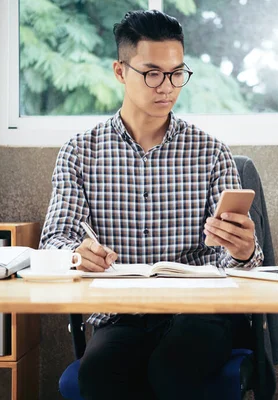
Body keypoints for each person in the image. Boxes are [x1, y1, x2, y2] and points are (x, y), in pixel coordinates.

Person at [40, 9, 263, 400]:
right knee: (99, 379)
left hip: (197, 313)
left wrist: (244, 252)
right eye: (153, 73)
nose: (168, 87)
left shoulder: (211, 153)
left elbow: (239, 265)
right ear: (120, 71)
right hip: (119, 316)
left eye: (178, 73)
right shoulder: (79, 153)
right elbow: (54, 240)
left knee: (172, 372)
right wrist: (76, 255)